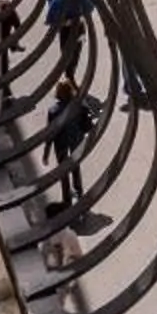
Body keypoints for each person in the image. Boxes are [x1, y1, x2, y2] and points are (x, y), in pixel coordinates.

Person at [43, 75, 98, 217]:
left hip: (60, 143)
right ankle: (79, 193)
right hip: (76, 141)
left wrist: (46, 152)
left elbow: (50, 133)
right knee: (75, 168)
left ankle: (66, 199)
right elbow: (88, 124)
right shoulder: (78, 105)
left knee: (63, 171)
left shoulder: (53, 111)